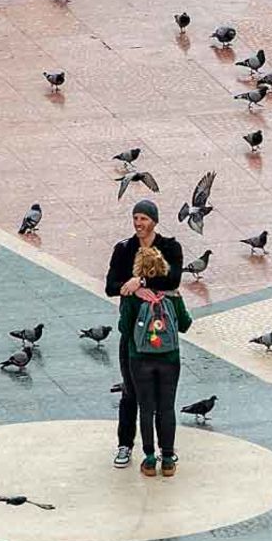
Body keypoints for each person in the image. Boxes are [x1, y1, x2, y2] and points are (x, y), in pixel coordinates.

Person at [103, 199, 185, 468]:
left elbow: (172, 280)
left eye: (144, 218)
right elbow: (111, 286)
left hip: (160, 335)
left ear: (154, 221)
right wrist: (133, 289)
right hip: (132, 334)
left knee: (162, 401)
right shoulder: (124, 249)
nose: (139, 223)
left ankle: (163, 452)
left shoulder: (170, 248)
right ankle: (125, 444)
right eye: (135, 218)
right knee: (130, 392)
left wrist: (141, 281)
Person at [116, 246, 187, 473]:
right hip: (169, 358)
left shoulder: (133, 295)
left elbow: (124, 328)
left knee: (145, 408)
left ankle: (148, 460)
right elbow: (185, 324)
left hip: (140, 358)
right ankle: (167, 459)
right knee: (167, 408)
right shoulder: (172, 293)